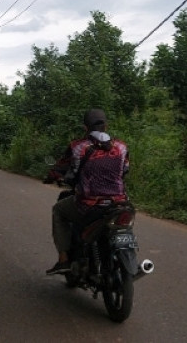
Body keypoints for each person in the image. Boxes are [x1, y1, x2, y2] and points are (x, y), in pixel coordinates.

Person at [44, 109, 130, 275]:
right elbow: (125, 170)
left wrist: (52, 175)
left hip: (89, 205)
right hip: (118, 203)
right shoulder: (121, 147)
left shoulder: (78, 147)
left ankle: (63, 260)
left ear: (85, 127)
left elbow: (63, 168)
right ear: (106, 125)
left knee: (59, 210)